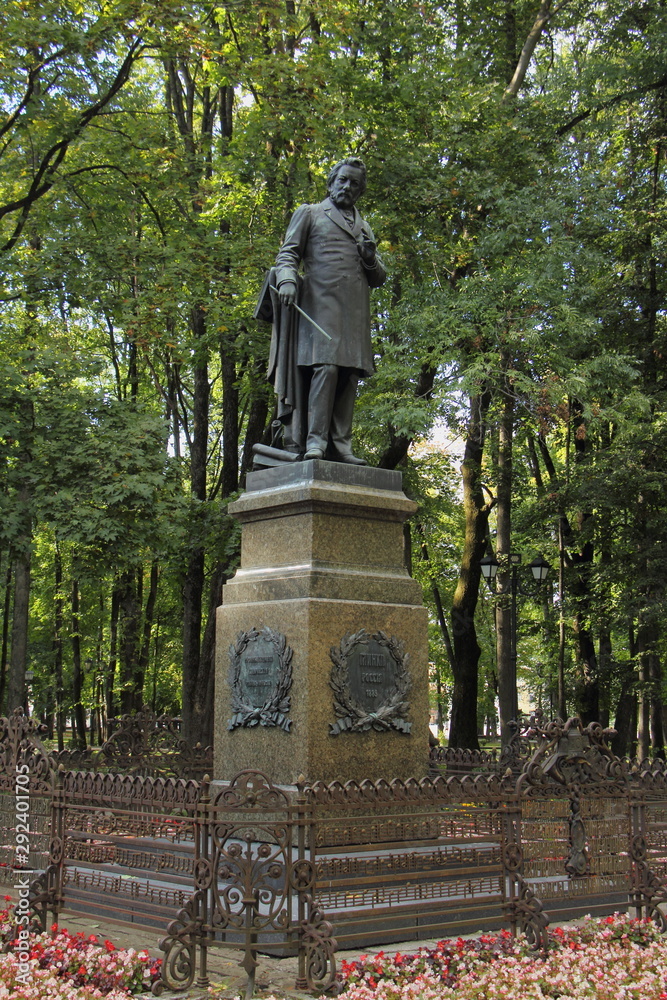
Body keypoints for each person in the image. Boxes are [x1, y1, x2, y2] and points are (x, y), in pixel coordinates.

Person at [266, 157, 386, 464]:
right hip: (319, 307)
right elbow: (287, 254)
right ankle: (315, 442)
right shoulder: (310, 214)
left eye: (355, 183)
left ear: (361, 191)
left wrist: (370, 258)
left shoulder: (364, 226)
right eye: (343, 180)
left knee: (348, 374)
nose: (348, 186)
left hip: (354, 311)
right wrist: (289, 281)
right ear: (331, 182)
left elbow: (379, 278)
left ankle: (341, 444)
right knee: (326, 368)